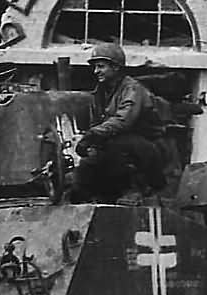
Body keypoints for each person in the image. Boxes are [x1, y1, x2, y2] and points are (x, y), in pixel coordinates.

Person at [70, 42, 168, 205]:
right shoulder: (100, 93)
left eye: (101, 66)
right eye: (95, 67)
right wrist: (90, 145)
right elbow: (97, 123)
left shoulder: (132, 89)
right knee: (89, 164)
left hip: (149, 148)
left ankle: (136, 189)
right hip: (123, 146)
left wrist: (93, 135)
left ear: (115, 67)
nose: (96, 71)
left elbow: (123, 120)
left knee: (117, 144)